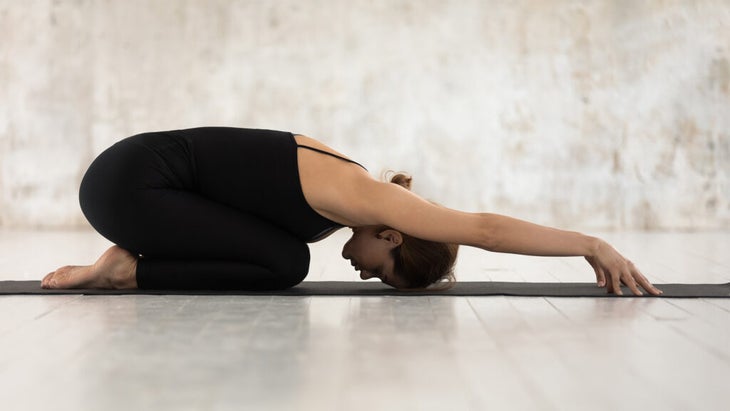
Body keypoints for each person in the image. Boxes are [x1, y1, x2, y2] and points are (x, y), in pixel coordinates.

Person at [41, 127, 662, 296]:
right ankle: (123, 272)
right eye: (383, 270)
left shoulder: (352, 196)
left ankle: (129, 265)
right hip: (129, 185)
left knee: (285, 257)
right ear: (393, 235)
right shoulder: (367, 200)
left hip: (136, 179)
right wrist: (590, 244)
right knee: (285, 263)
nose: (365, 274)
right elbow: (486, 230)